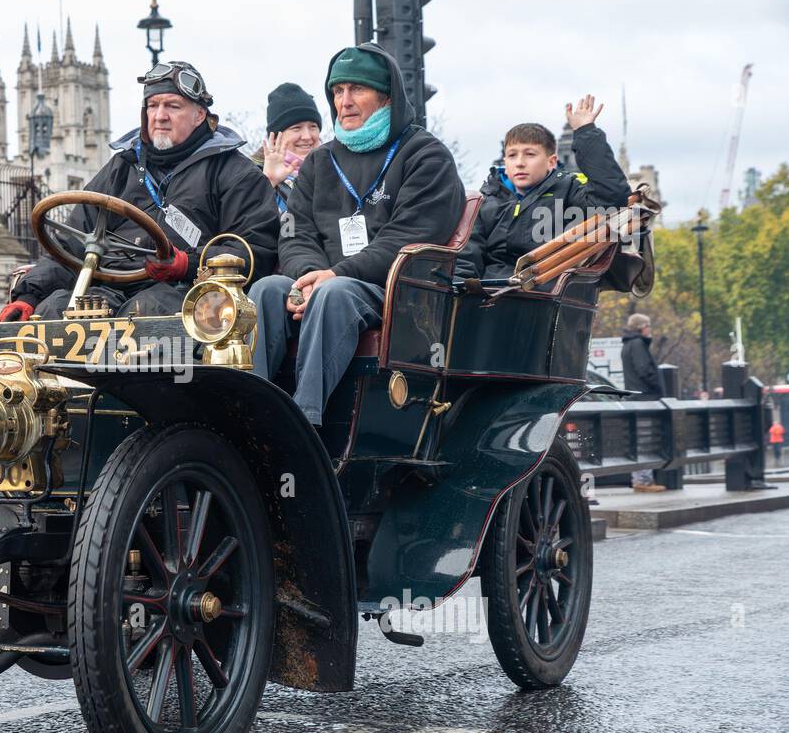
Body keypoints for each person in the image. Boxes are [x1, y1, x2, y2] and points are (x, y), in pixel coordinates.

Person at [249, 43, 466, 425]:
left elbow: (408, 238)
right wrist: (308, 277)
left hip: (396, 292)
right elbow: (294, 232)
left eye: (357, 90)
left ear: (386, 97)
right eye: (337, 91)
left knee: (334, 295)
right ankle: (247, 412)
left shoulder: (425, 155)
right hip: (325, 282)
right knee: (267, 289)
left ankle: (304, 421)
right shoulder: (321, 160)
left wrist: (334, 276)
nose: (343, 102)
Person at [0, 61, 279, 321]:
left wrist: (187, 264)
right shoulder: (122, 166)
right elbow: (71, 243)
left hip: (186, 291)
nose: (160, 116)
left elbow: (255, 250)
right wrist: (29, 295)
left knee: (147, 312)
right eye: (152, 106)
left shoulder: (234, 172)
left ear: (200, 115)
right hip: (108, 285)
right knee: (53, 309)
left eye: (173, 106)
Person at [463, 95, 632, 281]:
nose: (519, 163)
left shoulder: (568, 191)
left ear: (551, 162)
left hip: (545, 293)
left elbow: (612, 196)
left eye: (530, 154)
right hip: (488, 293)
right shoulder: (484, 201)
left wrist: (585, 132)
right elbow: (466, 258)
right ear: (505, 161)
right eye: (512, 155)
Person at [257, 82, 324, 213]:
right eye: (296, 128)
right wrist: (269, 183)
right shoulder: (252, 176)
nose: (307, 136)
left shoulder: (335, 168)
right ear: (276, 137)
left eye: (313, 126)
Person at [622, 313, 666, 493]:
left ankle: (642, 479)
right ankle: (643, 481)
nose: (650, 329)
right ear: (641, 328)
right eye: (648, 326)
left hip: (637, 398)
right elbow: (644, 370)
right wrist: (657, 387)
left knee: (641, 439)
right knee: (646, 440)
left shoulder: (628, 344)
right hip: (645, 398)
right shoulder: (638, 344)